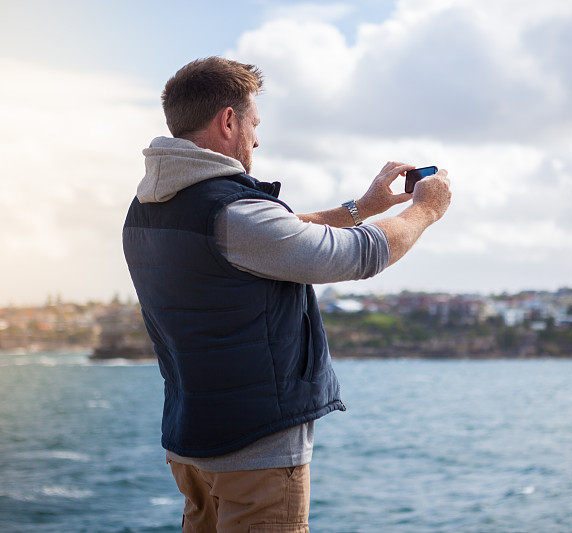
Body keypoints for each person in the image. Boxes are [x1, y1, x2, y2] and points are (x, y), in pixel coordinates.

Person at [122, 56, 451, 532]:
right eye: (254, 123)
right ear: (229, 121)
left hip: (190, 443)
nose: (257, 137)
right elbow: (361, 255)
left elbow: (272, 239)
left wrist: (358, 207)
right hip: (255, 452)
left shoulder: (149, 210)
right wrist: (426, 210)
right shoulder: (234, 214)